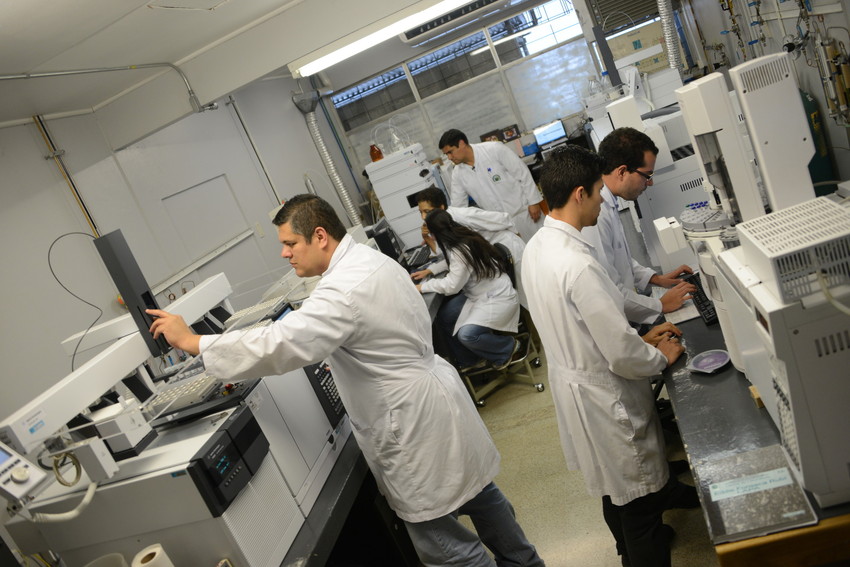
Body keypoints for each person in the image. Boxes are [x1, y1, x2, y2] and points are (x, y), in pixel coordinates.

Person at [147, 195, 544, 567]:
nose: (284, 253)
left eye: (290, 243)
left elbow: (281, 342)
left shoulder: (342, 291)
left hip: (410, 422)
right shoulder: (372, 262)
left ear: (320, 237)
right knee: (484, 500)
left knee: (446, 546)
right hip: (436, 399)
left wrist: (195, 342)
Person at [521, 146, 688, 567]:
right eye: (598, 192)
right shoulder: (577, 264)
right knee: (640, 507)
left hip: (578, 384)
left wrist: (644, 337)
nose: (602, 201)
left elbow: (597, 318)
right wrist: (660, 356)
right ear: (579, 193)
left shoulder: (539, 247)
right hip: (604, 396)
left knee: (616, 490)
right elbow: (619, 352)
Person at [583, 127, 695, 326]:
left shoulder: (609, 201)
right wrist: (659, 305)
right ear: (623, 172)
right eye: (647, 175)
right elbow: (609, 287)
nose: (649, 183)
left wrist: (655, 278)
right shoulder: (597, 214)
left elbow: (620, 259)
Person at [416, 208, 522, 371]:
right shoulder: (460, 237)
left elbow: (452, 286)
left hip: (496, 296)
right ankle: (470, 360)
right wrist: (432, 270)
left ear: (436, 233)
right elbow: (452, 261)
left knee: (467, 335)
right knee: (444, 317)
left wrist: (423, 287)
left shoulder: (460, 248)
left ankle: (507, 348)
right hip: (481, 293)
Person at [411, 186, 528, 308]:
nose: (423, 217)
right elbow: (449, 254)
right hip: (496, 255)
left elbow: (503, 218)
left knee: (530, 298)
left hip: (510, 248)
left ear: (441, 207)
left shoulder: (462, 216)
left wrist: (516, 234)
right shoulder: (440, 222)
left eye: (427, 211)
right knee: (524, 300)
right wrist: (428, 240)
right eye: (421, 212)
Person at [440, 129, 544, 243]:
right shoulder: (458, 174)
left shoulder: (494, 149)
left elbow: (522, 173)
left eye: (450, 152)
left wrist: (533, 202)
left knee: (544, 247)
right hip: (501, 227)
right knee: (522, 257)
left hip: (525, 214)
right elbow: (459, 207)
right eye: (446, 154)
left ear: (461, 143)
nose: (449, 158)